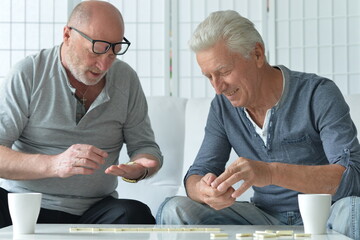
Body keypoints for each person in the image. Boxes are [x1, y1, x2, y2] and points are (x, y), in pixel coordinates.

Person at [156, 10, 360, 239]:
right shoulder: (222, 107)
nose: (217, 87)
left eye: (223, 72)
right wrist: (203, 191)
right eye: (209, 77)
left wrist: (271, 172)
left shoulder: (318, 94)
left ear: (257, 54)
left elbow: (350, 179)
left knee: (355, 210)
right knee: (174, 209)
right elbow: (197, 174)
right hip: (263, 216)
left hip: (325, 213)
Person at [0, 1, 162, 226]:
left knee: (134, 214)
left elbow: (145, 148)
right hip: (22, 204)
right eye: (97, 48)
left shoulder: (126, 79)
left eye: (114, 50)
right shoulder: (28, 74)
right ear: (67, 35)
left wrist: (139, 169)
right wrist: (55, 164)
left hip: (94, 210)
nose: (104, 64)